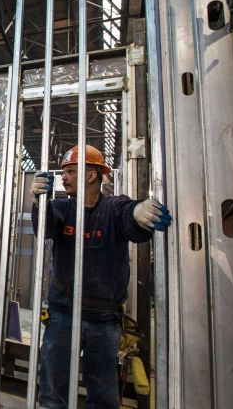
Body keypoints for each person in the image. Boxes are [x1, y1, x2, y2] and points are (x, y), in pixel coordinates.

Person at [31, 145, 172, 408]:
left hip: (104, 319)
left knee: (104, 396)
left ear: (91, 175)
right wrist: (40, 203)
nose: (64, 177)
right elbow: (47, 228)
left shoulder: (114, 207)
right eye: (64, 172)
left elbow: (129, 216)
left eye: (71, 171)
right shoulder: (61, 207)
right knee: (52, 391)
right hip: (63, 314)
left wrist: (139, 212)